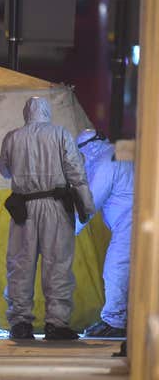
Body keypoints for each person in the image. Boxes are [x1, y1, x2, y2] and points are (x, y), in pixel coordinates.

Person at [0, 97, 95, 340]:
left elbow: (4, 170)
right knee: (58, 263)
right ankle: (56, 323)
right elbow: (76, 171)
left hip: (24, 208)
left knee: (20, 265)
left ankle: (20, 323)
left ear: (26, 113)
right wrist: (87, 205)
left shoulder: (12, 137)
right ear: (46, 112)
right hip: (56, 206)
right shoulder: (60, 133)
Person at [75, 129, 133, 338]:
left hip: (130, 222)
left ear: (87, 149)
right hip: (141, 218)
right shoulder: (121, 152)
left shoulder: (103, 162)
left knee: (115, 269)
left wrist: (66, 231)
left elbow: (89, 204)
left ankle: (115, 321)